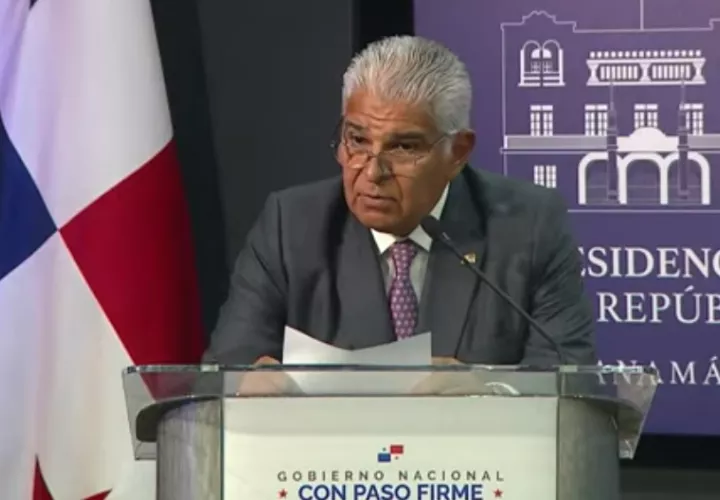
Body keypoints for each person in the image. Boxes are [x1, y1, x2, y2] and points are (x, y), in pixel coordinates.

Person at [203, 35, 596, 371]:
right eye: (357, 140)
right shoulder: (290, 226)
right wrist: (252, 382)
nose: (373, 172)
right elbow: (227, 368)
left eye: (404, 147)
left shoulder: (528, 228)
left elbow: (569, 384)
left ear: (458, 152)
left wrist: (484, 391)